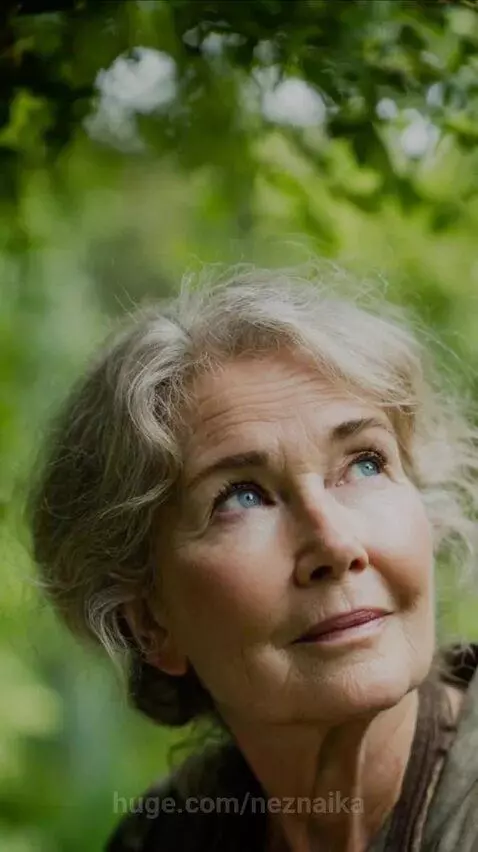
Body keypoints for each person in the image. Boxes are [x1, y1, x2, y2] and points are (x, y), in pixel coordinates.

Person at [27, 264, 478, 852]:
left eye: (366, 463)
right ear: (148, 621)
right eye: (240, 497)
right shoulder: (162, 840)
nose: (337, 546)